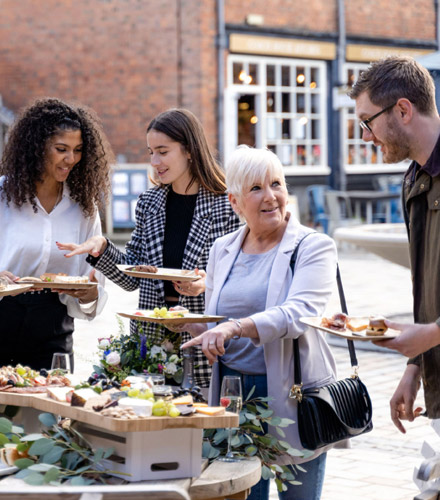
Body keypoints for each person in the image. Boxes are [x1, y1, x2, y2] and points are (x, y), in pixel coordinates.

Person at [181, 146, 338, 500]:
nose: (270, 197)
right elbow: (219, 320)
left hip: (292, 394)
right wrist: (196, 329)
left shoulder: (313, 246)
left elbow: (299, 313)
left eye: (276, 184)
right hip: (233, 397)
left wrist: (235, 327)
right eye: (255, 189)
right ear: (235, 202)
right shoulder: (222, 248)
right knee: (241, 494)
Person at [57, 108, 240, 388]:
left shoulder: (226, 205)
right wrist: (101, 249)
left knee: (203, 427)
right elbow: (133, 277)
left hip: (204, 342)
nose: (154, 161)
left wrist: (206, 284)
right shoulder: (149, 203)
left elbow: (241, 278)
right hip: (152, 344)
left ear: (189, 150)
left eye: (163, 152)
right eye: (150, 152)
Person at [348, 55, 440, 433]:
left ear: (403, 110)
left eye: (367, 122)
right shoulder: (412, 181)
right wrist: (415, 366)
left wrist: (429, 336)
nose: (366, 136)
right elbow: (429, 292)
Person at [0, 97, 112, 371]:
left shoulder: (84, 207)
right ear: (37, 147)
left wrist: (87, 293)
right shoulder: (3, 195)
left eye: (78, 150)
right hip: (2, 320)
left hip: (53, 330)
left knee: (49, 412)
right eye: (61, 149)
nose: (70, 159)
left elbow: (91, 288)